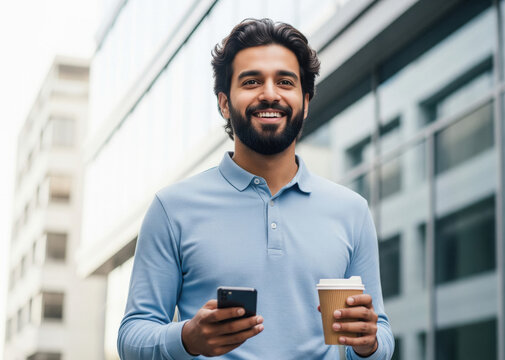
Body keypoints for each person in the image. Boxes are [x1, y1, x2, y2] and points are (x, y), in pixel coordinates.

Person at [117, 18, 394, 359]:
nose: (269, 94)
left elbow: (378, 334)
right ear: (224, 103)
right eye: (251, 81)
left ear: (305, 102)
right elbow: (132, 338)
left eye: (285, 82)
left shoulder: (352, 211)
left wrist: (369, 343)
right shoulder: (172, 208)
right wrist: (187, 338)